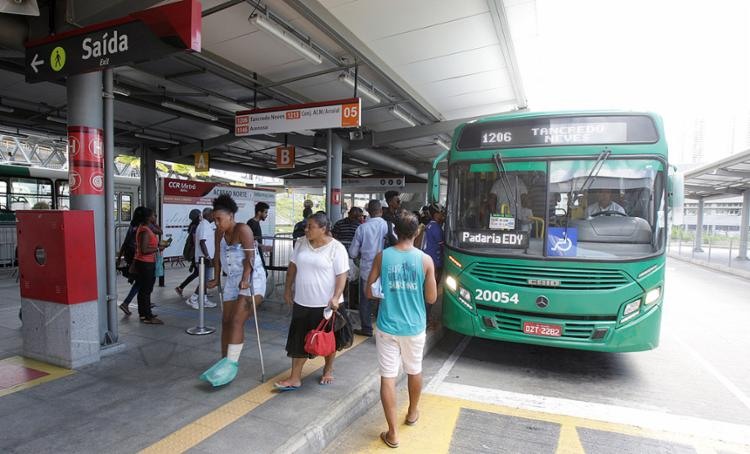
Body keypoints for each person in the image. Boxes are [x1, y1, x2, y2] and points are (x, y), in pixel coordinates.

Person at [366, 211, 437, 449]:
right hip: (414, 327)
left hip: (387, 326)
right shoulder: (425, 260)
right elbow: (431, 297)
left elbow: (369, 291)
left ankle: (393, 433)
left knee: (388, 378)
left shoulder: (382, 257)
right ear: (417, 232)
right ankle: (412, 412)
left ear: (394, 231)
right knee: (414, 370)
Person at [275, 212, 349, 390]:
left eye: (311, 227)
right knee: (298, 339)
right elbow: (292, 268)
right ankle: (294, 378)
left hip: (326, 304)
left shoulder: (336, 248)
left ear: (323, 229)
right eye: (306, 226)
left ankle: (328, 368)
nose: (306, 229)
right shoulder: (300, 243)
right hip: (302, 301)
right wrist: (287, 289)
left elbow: (342, 275)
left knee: (327, 338)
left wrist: (335, 297)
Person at [201, 195, 266, 386]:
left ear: (230, 216)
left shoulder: (243, 229)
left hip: (253, 278)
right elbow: (217, 257)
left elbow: (250, 258)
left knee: (238, 320)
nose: (217, 223)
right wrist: (215, 277)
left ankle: (231, 365)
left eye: (219, 219)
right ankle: (223, 361)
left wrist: (246, 279)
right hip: (232, 280)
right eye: (214, 219)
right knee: (226, 321)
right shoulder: (218, 233)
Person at [349, 200, 389, 337]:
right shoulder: (386, 225)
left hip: (367, 269)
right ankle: (384, 328)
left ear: (368, 212)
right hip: (385, 267)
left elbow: (353, 252)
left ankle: (366, 328)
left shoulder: (362, 228)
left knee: (365, 300)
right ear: (381, 211)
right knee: (383, 298)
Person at [132, 207, 164, 324]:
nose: (155, 217)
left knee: (144, 290)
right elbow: (144, 249)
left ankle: (144, 314)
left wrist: (154, 223)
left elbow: (159, 231)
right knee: (146, 290)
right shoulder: (145, 230)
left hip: (146, 262)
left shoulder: (146, 228)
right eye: (153, 216)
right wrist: (157, 248)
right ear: (148, 217)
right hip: (146, 263)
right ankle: (147, 316)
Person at [186, 207, 217, 309]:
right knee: (204, 281)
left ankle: (204, 300)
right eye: (213, 214)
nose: (214, 216)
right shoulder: (204, 225)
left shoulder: (208, 225)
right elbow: (202, 242)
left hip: (207, 257)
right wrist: (208, 256)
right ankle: (193, 298)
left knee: (206, 280)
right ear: (208, 215)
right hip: (203, 258)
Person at [421, 203, 445, 328]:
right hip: (434, 263)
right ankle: (425, 320)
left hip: (426, 261)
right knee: (430, 292)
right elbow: (442, 247)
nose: (443, 216)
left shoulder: (429, 226)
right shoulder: (437, 228)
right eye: (442, 213)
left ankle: (426, 317)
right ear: (436, 214)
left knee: (425, 290)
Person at [175, 209, 202, 297]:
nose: (201, 216)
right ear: (197, 217)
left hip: (195, 253)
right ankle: (181, 287)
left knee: (198, 272)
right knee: (198, 273)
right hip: (196, 253)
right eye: (200, 215)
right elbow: (195, 241)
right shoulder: (195, 226)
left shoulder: (194, 225)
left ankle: (202, 290)